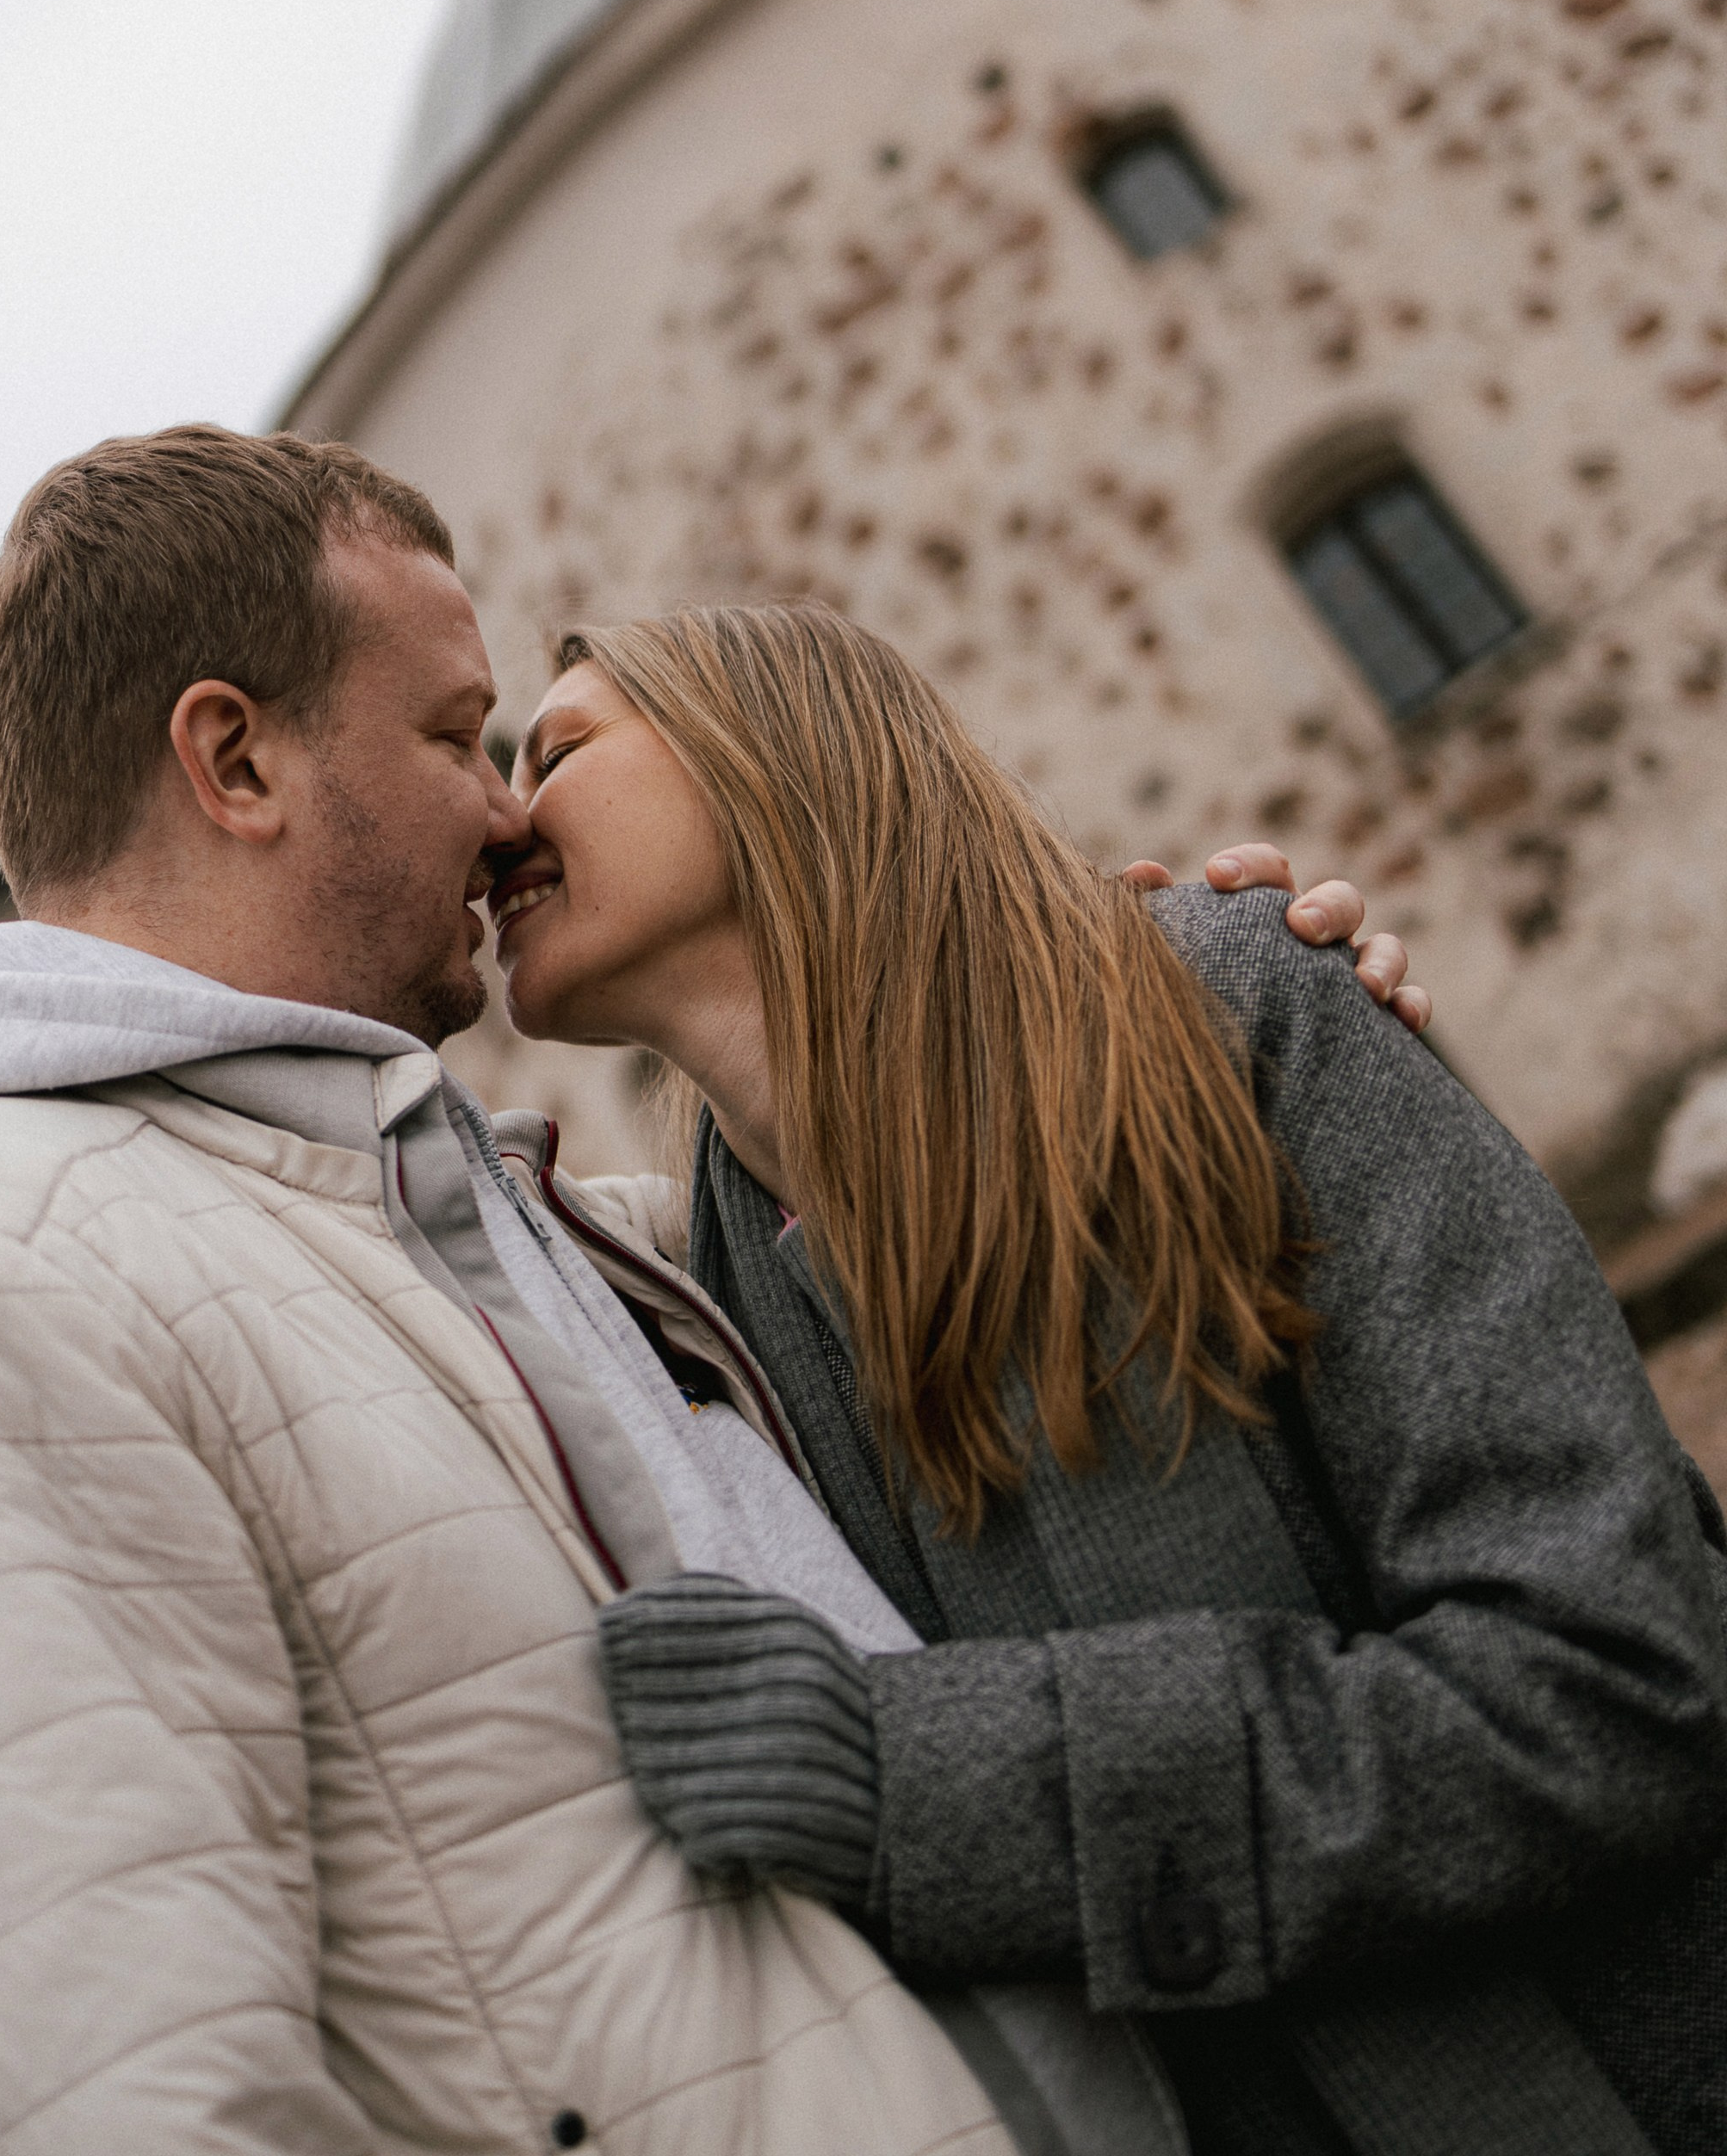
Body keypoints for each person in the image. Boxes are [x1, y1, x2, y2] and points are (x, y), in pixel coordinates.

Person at [0, 427, 1397, 2156]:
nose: (507, 810)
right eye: (450, 734)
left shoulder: (499, 1221)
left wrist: (1167, 1008)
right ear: (236, 760)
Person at [488, 598, 1727, 2156]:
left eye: (559, 748)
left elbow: (1616, 1683)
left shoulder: (1232, 1013)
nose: (500, 809)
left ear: (773, 759)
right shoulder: (713, 1304)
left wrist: (923, 1783)